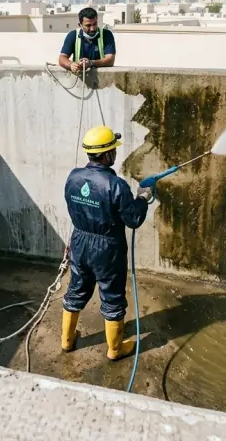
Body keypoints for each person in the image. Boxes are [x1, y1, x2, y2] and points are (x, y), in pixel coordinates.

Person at [61, 125, 152, 361]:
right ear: (106, 155)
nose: (115, 153)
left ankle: (67, 340)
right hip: (107, 249)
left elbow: (75, 206)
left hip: (79, 241)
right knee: (111, 296)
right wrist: (143, 197)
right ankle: (115, 349)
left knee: (76, 289)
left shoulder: (73, 177)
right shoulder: (116, 185)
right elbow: (133, 219)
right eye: (113, 149)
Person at [59, 7, 116, 75]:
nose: (92, 29)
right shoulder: (73, 35)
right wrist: (71, 65)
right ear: (80, 25)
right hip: (79, 78)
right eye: (88, 25)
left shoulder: (106, 35)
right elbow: (62, 58)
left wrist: (91, 63)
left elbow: (110, 60)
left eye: (94, 24)